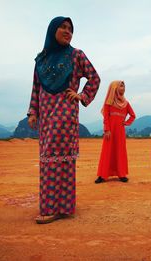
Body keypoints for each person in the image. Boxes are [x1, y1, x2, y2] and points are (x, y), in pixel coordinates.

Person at [27, 16, 100, 224]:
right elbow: (36, 87)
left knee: (60, 161)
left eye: (70, 28)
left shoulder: (76, 55)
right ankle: (59, 207)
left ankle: (56, 208)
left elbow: (94, 78)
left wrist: (82, 96)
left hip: (66, 116)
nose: (68, 31)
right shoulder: (41, 60)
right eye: (63, 27)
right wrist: (33, 111)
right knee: (48, 160)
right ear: (52, 30)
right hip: (46, 118)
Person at [95, 80, 136, 184]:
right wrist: (106, 130)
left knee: (120, 151)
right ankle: (102, 175)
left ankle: (121, 174)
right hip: (110, 132)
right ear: (114, 88)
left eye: (124, 86)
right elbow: (106, 118)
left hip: (120, 132)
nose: (123, 88)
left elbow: (132, 115)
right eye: (121, 86)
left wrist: (126, 123)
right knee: (107, 152)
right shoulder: (108, 103)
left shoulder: (126, 104)